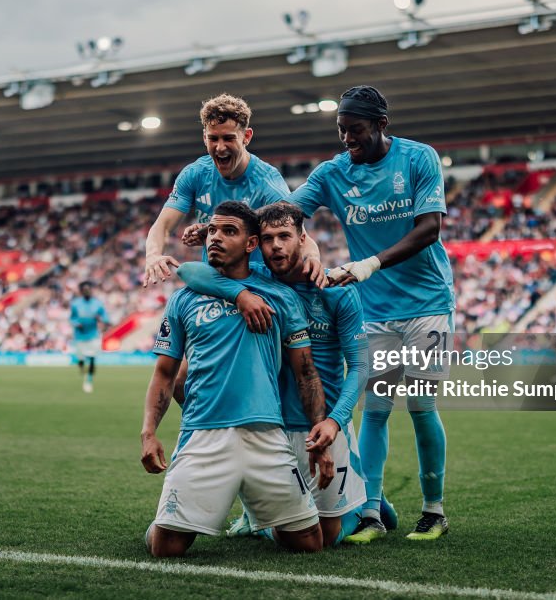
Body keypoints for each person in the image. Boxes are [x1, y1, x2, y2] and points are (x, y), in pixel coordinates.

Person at [288, 85, 455, 543]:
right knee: (376, 412)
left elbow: (429, 229)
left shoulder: (419, 159)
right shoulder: (333, 173)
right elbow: (284, 214)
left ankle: (433, 511)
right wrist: (237, 219)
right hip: (376, 312)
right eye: (342, 132)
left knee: (421, 406)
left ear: (381, 125)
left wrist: (368, 264)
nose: (347, 140)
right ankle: (371, 513)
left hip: (427, 306)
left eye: (355, 131)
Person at [140, 201, 337, 557]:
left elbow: (305, 372)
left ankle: (264, 517)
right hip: (203, 433)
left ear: (251, 245)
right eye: (213, 230)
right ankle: (169, 517)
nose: (216, 237)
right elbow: (165, 373)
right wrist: (149, 431)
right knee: (165, 549)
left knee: (309, 544)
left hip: (267, 434)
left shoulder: (281, 297)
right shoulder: (185, 299)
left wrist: (319, 436)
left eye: (228, 231)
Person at [177, 201, 377, 546]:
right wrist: (239, 293)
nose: (276, 246)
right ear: (257, 243)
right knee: (291, 531)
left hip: (323, 423)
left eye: (285, 236)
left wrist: (335, 421)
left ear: (303, 239)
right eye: (268, 238)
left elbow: (360, 366)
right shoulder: (259, 282)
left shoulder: (337, 290)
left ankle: (375, 507)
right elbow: (189, 272)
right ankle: (256, 513)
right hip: (271, 427)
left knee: (328, 537)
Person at [141, 93, 323, 289]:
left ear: (246, 137)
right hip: (216, 283)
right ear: (204, 138)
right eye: (213, 139)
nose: (220, 148)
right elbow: (162, 226)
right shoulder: (195, 174)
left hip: (258, 287)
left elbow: (298, 236)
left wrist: (312, 257)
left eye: (228, 138)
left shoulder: (267, 182)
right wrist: (153, 255)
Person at [70, 281, 110, 392]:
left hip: (93, 335)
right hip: (79, 336)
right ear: (82, 291)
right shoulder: (76, 304)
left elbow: (105, 317)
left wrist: (102, 320)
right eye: (85, 289)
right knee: (81, 360)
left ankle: (88, 380)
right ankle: (82, 365)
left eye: (89, 289)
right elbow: (72, 318)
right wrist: (76, 323)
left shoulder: (97, 304)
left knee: (92, 358)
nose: (87, 291)